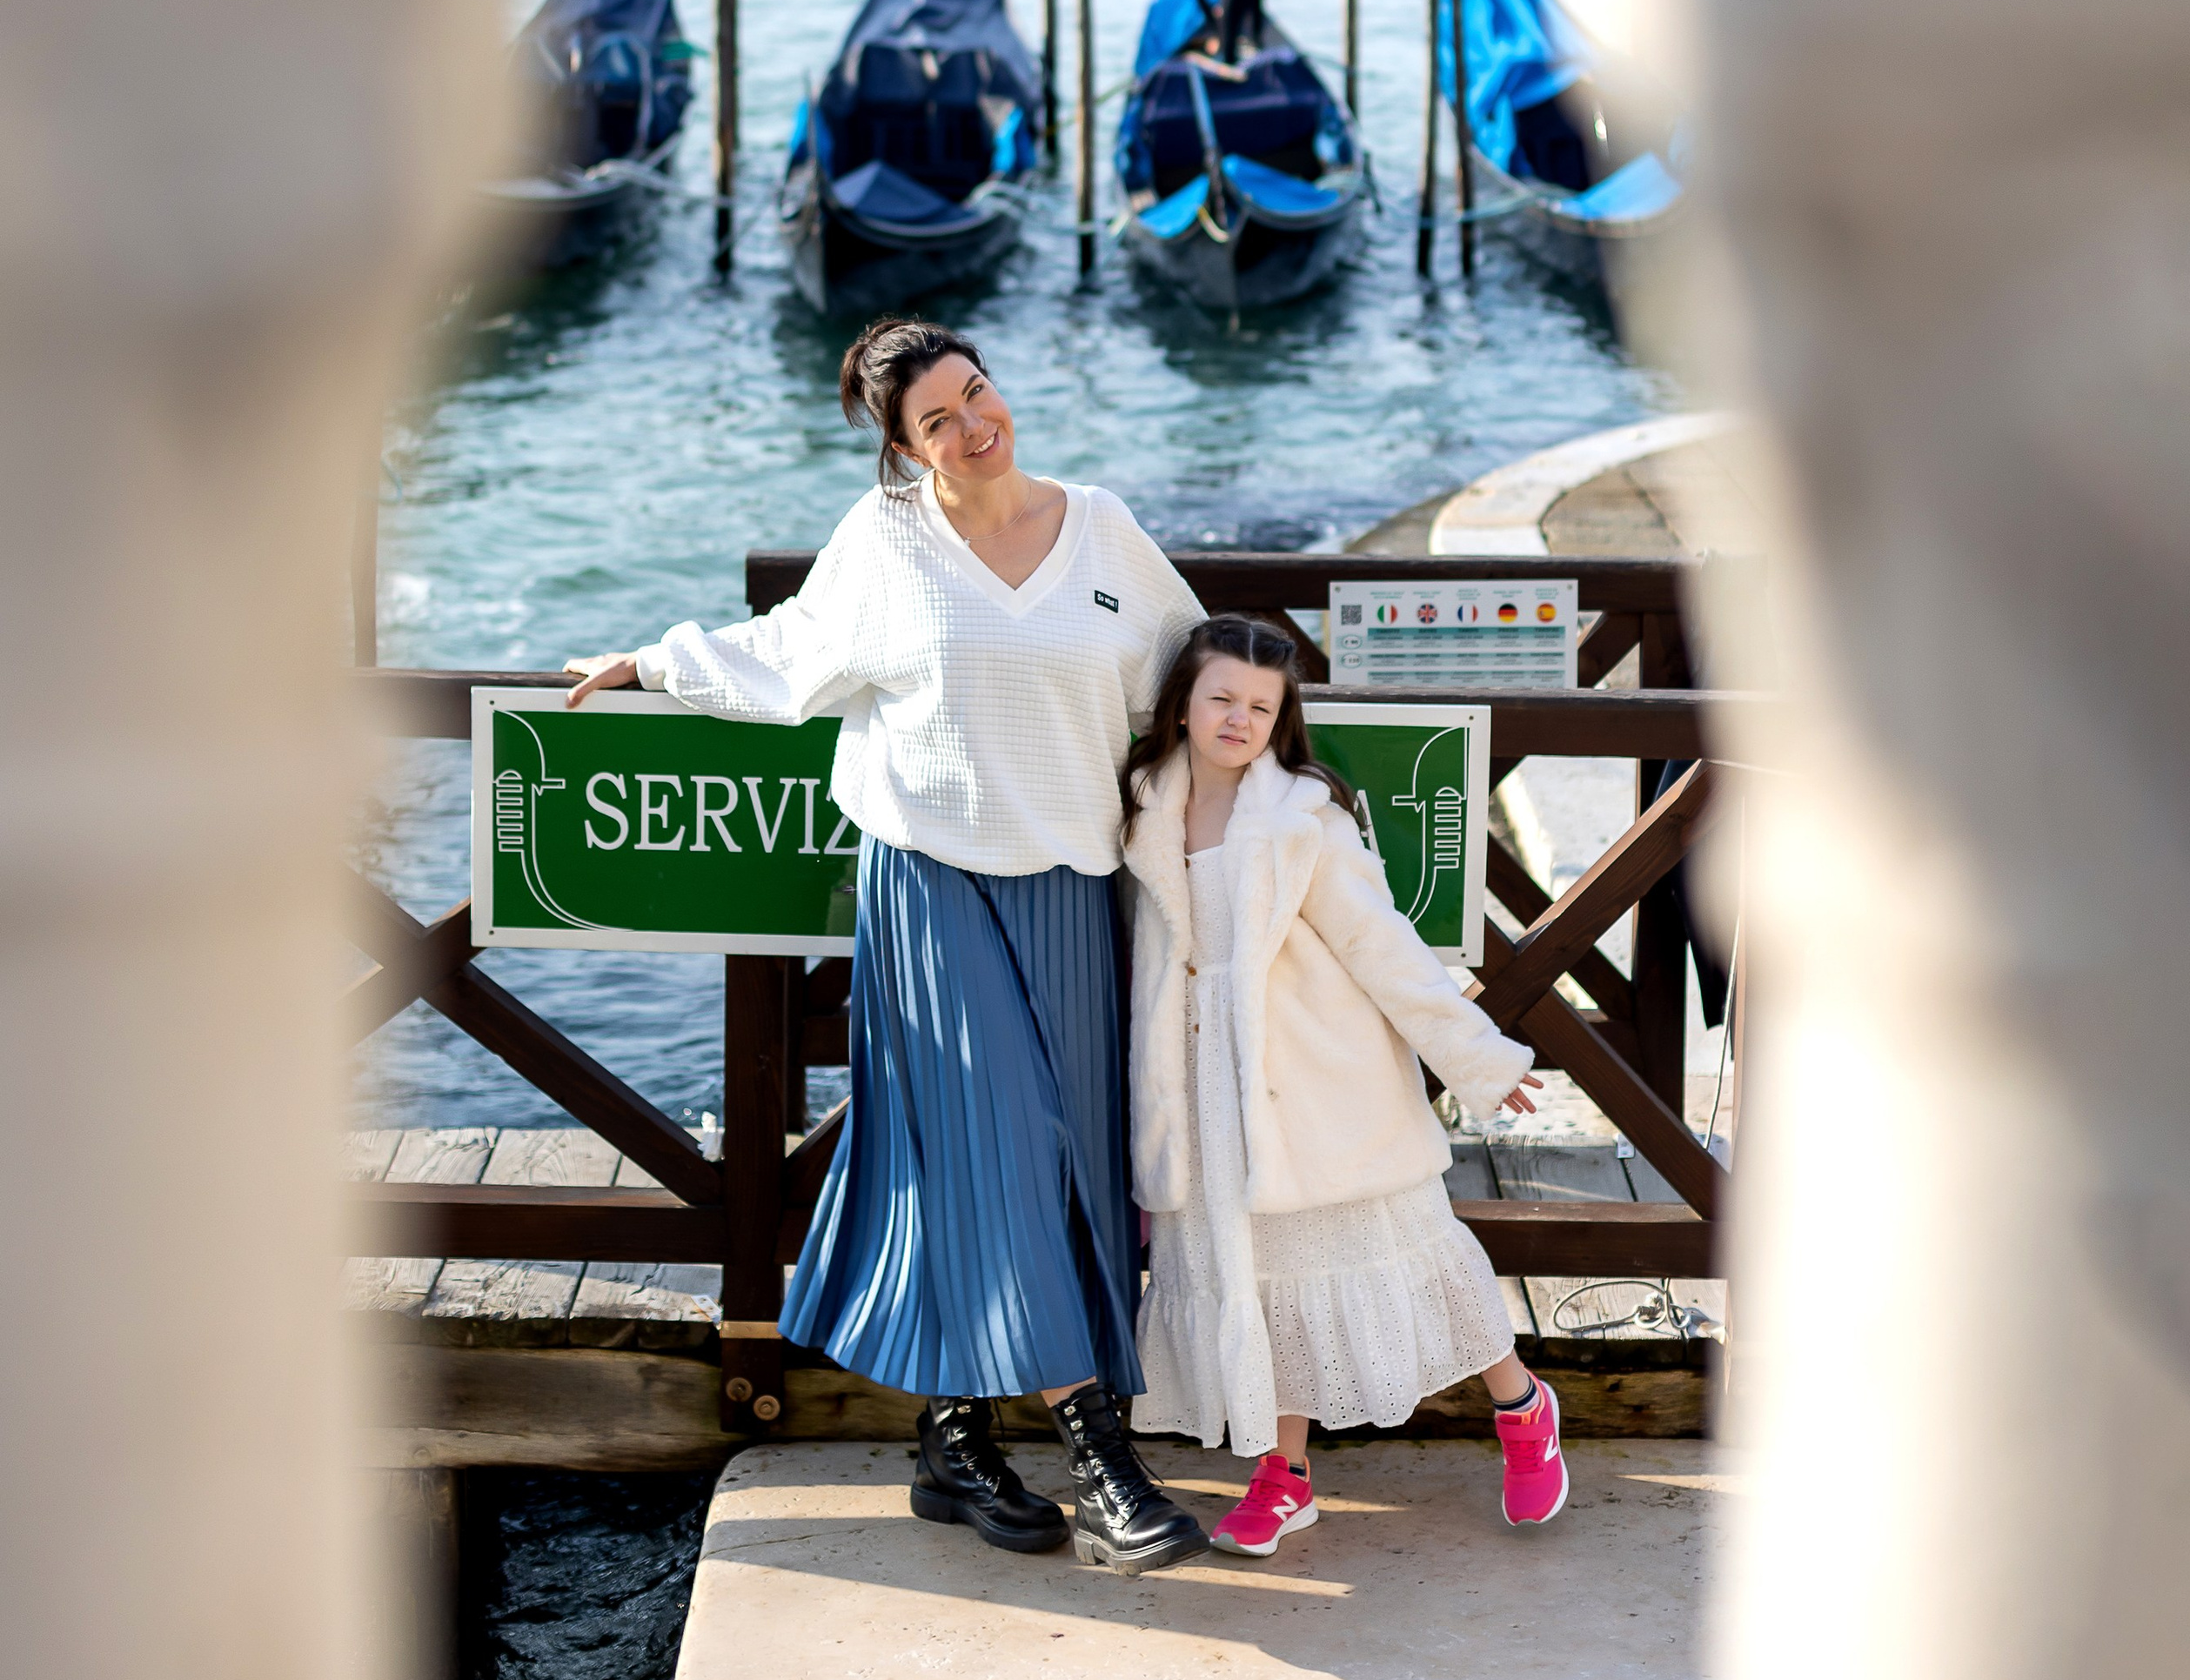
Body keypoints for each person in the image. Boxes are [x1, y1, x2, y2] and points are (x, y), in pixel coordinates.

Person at [563, 316, 1213, 1575]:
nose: (973, 426)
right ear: (904, 448)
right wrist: (654, 662)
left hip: (1073, 890)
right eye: (936, 421)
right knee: (1007, 1146)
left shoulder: (1103, 529)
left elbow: (1190, 677)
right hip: (928, 888)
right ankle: (1103, 1463)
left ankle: (952, 1442)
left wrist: (1284, 746)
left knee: (1061, 1166)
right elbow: (791, 655)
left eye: (977, 392)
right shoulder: (886, 539)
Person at [1119, 616, 1571, 1554]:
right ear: (1182, 704)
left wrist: (1477, 1055)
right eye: (1221, 698)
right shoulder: (1145, 809)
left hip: (1316, 1085)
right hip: (1200, 1090)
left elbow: (1383, 946)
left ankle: (1523, 1407)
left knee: (1410, 1250)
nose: (1239, 719)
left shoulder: (1302, 822)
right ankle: (1283, 1475)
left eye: (1261, 705)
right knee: (1257, 1276)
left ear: (1280, 718)